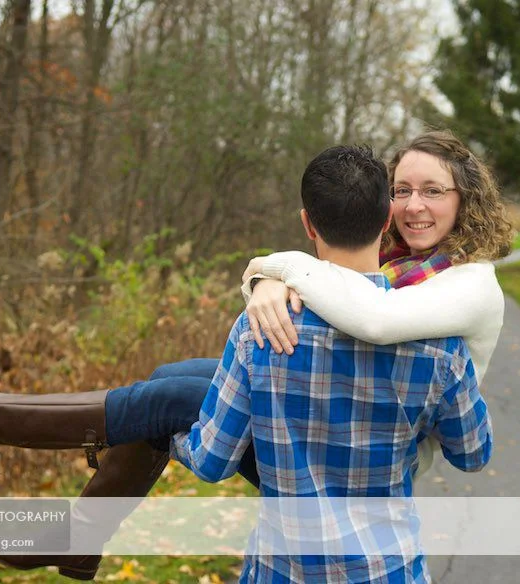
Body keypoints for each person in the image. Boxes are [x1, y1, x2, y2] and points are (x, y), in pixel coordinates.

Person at [0, 129, 513, 578]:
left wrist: (274, 270)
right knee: (169, 379)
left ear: (466, 201)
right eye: (401, 190)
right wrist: (272, 282)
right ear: (381, 211)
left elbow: (374, 319)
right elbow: (362, 296)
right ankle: (80, 536)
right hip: (378, 498)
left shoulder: (466, 284)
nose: (413, 205)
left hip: (380, 453)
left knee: (177, 401)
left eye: (433, 191)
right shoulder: (411, 269)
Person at [169, 143, 492, 582]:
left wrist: (169, 436)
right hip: (388, 568)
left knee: (165, 387)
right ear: (385, 219)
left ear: (307, 223)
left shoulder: (258, 329)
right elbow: (473, 454)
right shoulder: (441, 348)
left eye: (433, 190)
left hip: (280, 569)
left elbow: (212, 461)